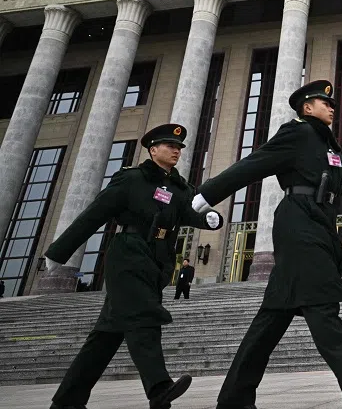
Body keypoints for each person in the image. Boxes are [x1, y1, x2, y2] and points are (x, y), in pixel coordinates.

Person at [192, 80, 342, 409]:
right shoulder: (297, 133)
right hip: (299, 224)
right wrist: (206, 194)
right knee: (322, 303)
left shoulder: (327, 146)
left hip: (318, 224)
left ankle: (234, 399)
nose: (332, 106)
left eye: (333, 102)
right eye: (324, 102)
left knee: (270, 321)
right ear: (307, 107)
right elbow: (253, 164)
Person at [44, 123, 224, 409]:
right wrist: (59, 252)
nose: (176, 150)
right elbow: (94, 213)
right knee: (144, 317)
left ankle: (67, 401)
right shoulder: (131, 179)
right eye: (170, 146)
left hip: (156, 260)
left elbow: (187, 211)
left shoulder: (179, 187)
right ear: (153, 150)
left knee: (105, 337)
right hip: (128, 255)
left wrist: (208, 219)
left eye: (179, 147)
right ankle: (158, 388)